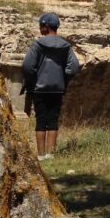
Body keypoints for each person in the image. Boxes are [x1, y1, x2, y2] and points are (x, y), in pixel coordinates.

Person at [21, 12, 80, 160]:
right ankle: (50, 154)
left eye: (41, 26)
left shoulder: (37, 45)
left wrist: (33, 78)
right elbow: (73, 67)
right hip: (57, 88)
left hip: (39, 88)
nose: (40, 29)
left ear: (46, 27)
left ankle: (41, 155)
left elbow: (27, 66)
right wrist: (63, 77)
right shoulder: (66, 46)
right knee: (53, 120)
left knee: (41, 120)